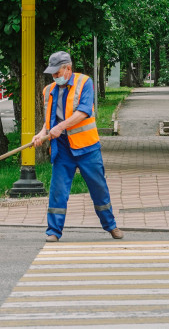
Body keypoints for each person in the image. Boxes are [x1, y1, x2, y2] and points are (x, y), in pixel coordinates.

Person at [33, 51, 124, 242]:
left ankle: (111, 226)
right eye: (52, 74)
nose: (54, 77)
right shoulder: (48, 91)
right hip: (62, 148)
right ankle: (53, 231)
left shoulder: (85, 83)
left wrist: (60, 127)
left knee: (98, 188)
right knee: (58, 190)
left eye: (57, 73)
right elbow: (49, 121)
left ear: (68, 68)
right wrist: (42, 134)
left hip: (87, 147)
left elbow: (83, 112)